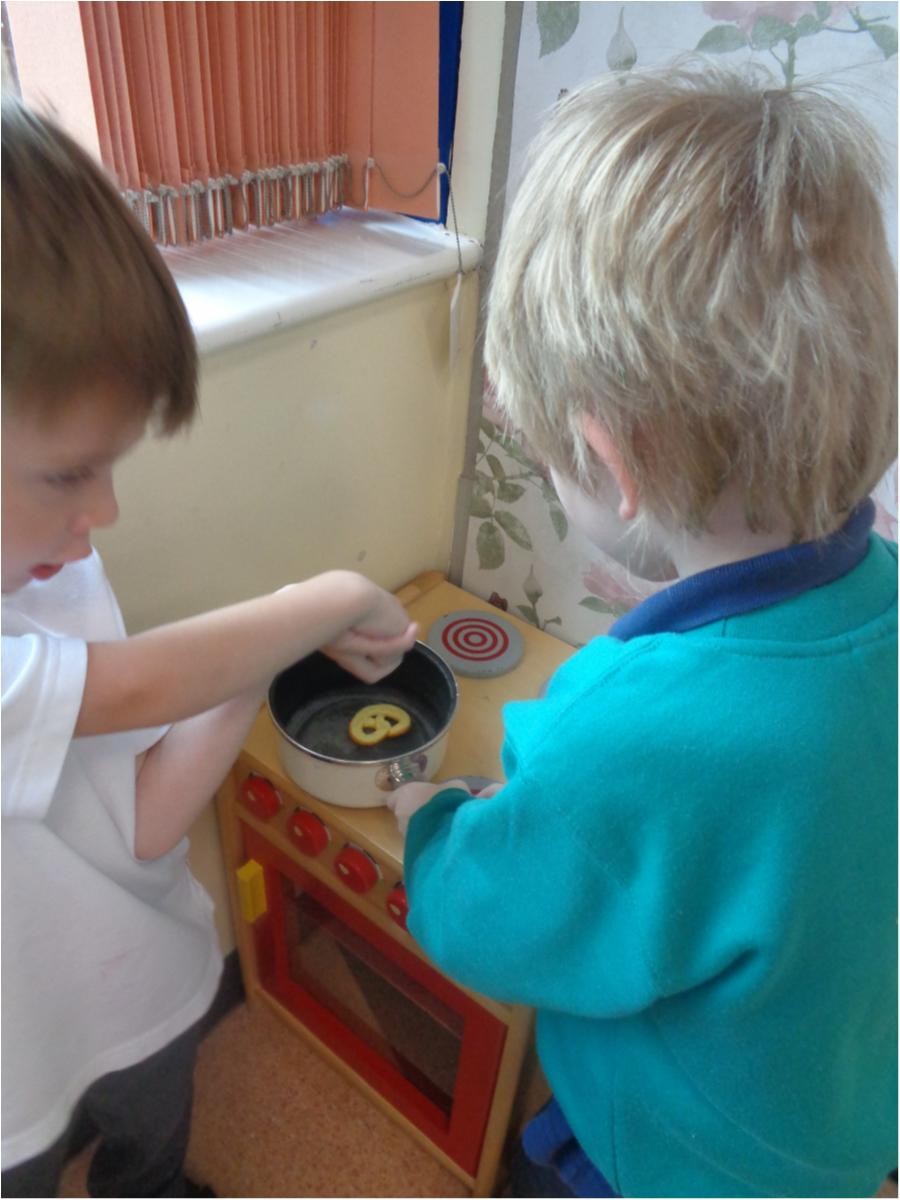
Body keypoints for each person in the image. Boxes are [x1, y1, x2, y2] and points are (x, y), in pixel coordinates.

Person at [387, 64, 898, 1198]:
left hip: (670, 1162)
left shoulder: (628, 741)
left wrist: (436, 829)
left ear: (611, 464)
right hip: (840, 1127)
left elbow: (486, 921)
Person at [1, 99, 418, 1198]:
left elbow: (132, 813)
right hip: (10, 1073)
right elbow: (137, 684)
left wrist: (266, 656)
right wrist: (322, 596)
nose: (104, 514)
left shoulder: (49, 555)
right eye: (64, 474)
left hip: (134, 982)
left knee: (153, 1126)